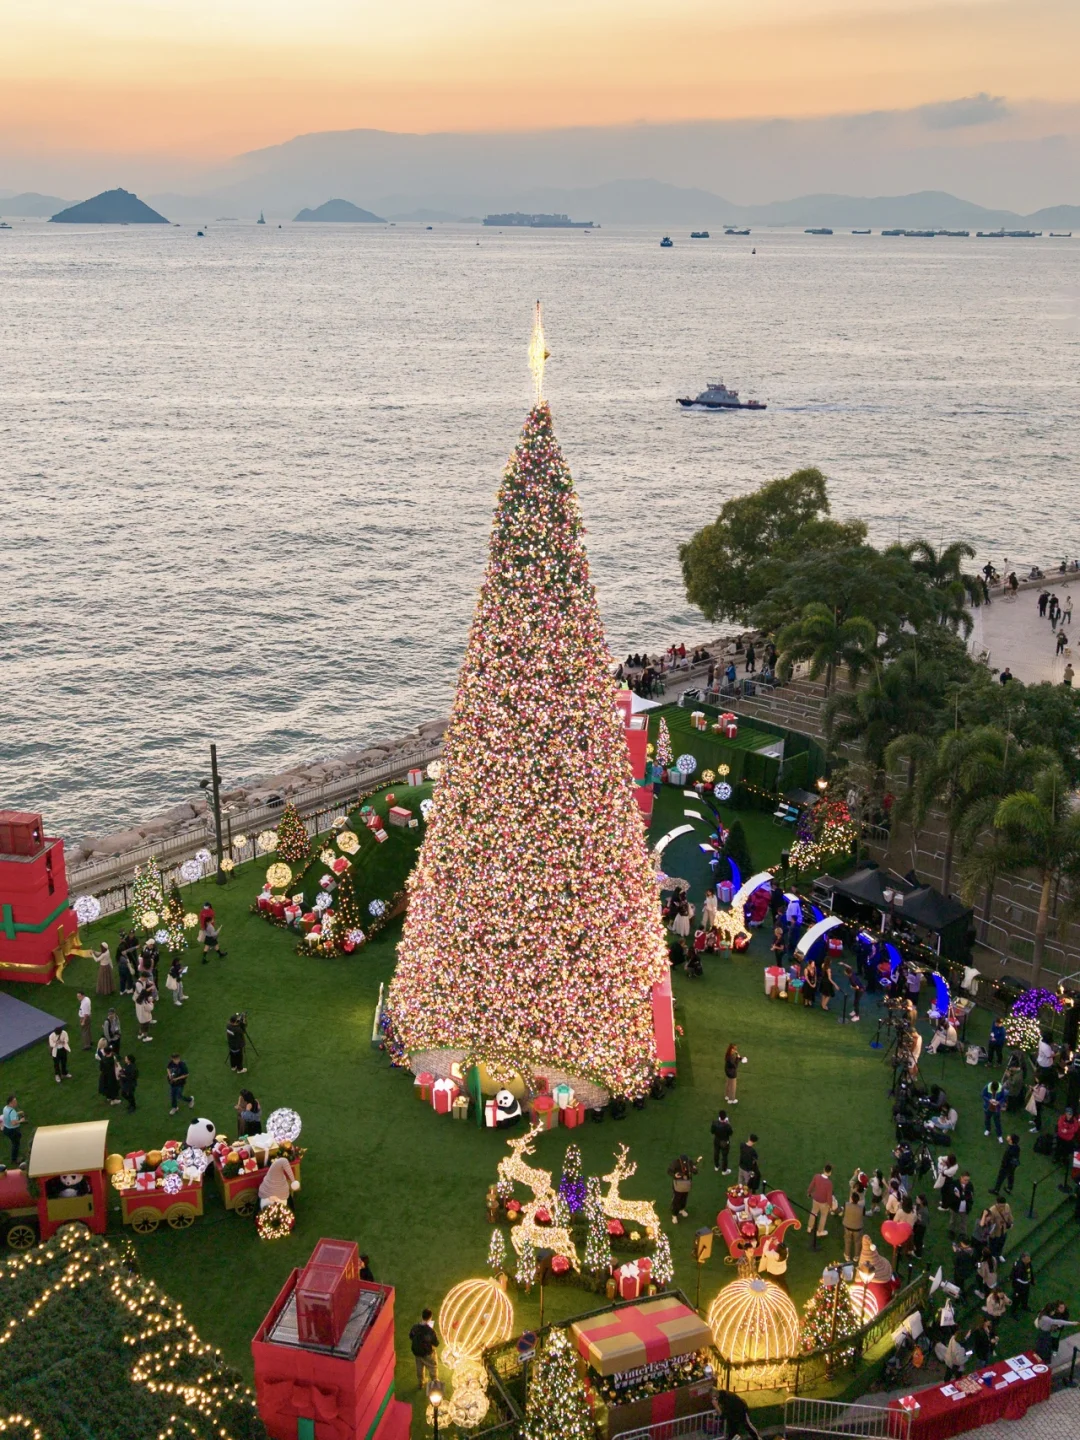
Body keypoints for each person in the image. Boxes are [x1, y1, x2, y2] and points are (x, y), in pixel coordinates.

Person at [409, 1309, 439, 1390]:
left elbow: (411, 1336)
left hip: (417, 1353)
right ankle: (435, 1384)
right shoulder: (430, 1331)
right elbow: (436, 1343)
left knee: (420, 1369)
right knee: (433, 1368)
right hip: (428, 1354)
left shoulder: (415, 1327)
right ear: (430, 1317)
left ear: (422, 1316)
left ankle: (421, 1383)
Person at [807, 1164, 835, 1242]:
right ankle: (819, 1231)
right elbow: (829, 1196)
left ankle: (809, 1227)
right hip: (824, 1203)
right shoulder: (829, 1183)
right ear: (830, 1172)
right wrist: (830, 1205)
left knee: (813, 1212)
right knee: (823, 1216)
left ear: (823, 1169)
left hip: (815, 1199)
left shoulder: (816, 1176)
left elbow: (811, 1185)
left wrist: (809, 1192)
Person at [668, 1153, 699, 1224]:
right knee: (676, 1200)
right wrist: (674, 1175)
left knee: (684, 1198)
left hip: (686, 1184)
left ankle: (681, 1209)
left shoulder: (689, 1162)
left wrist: (694, 1169)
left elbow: (695, 1172)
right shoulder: (675, 1163)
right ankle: (674, 1215)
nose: (685, 1163)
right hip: (677, 1185)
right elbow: (669, 1171)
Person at [96, 1038, 121, 1106]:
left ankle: (109, 1097)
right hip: (111, 1075)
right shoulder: (111, 1060)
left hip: (104, 1074)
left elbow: (101, 1068)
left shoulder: (103, 1059)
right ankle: (113, 1100)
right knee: (112, 1086)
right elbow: (115, 1065)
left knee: (106, 1085)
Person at [949, 1171, 974, 1238]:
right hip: (955, 1206)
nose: (967, 1181)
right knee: (953, 1220)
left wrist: (960, 1196)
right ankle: (952, 1231)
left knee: (964, 1221)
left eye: (968, 1180)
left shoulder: (970, 1185)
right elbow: (951, 1193)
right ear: (961, 1178)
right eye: (965, 1180)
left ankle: (962, 1234)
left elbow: (970, 1197)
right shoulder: (955, 1183)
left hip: (965, 1208)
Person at [3, 1094, 24, 1168]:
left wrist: (18, 1113)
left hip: (6, 1128)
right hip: (12, 1130)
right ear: (10, 1103)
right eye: (14, 1101)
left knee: (15, 1140)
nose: (16, 1102)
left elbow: (8, 1116)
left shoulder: (5, 1108)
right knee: (16, 1144)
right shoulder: (12, 1111)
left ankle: (14, 1158)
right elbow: (13, 1122)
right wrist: (21, 1120)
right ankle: (14, 1160)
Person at [842, 1190, 864, 1262]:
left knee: (847, 1240)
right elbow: (863, 1214)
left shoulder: (846, 1204)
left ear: (851, 1198)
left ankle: (847, 1255)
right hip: (858, 1228)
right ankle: (856, 1256)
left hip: (848, 1226)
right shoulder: (862, 1208)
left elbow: (844, 1211)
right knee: (857, 1242)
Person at [133, 977, 156, 1042]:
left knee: (141, 1026)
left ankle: (140, 1035)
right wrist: (151, 1002)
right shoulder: (144, 1002)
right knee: (145, 1027)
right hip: (145, 1017)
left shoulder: (137, 1001)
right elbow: (150, 1008)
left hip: (140, 1016)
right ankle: (145, 1037)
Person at [711, 1108, 733, 1174]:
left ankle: (716, 1166)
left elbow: (712, 1132)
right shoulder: (727, 1126)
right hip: (724, 1142)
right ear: (725, 1117)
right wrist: (728, 1124)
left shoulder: (714, 1123)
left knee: (716, 1153)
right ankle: (724, 1170)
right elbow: (731, 1133)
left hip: (717, 1140)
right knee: (724, 1156)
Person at [116, 930, 138, 995]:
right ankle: (130, 989)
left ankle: (122, 990)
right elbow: (125, 952)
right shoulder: (122, 946)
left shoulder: (119, 945)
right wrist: (135, 947)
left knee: (122, 978)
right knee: (129, 977)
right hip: (125, 965)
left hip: (120, 965)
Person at [912, 1193, 929, 1258]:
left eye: (917, 1199)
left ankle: (918, 1254)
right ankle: (920, 1245)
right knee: (919, 1238)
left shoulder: (923, 1211)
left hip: (921, 1226)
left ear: (921, 1201)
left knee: (917, 1239)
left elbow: (919, 1219)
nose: (916, 1199)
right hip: (920, 1225)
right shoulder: (921, 1206)